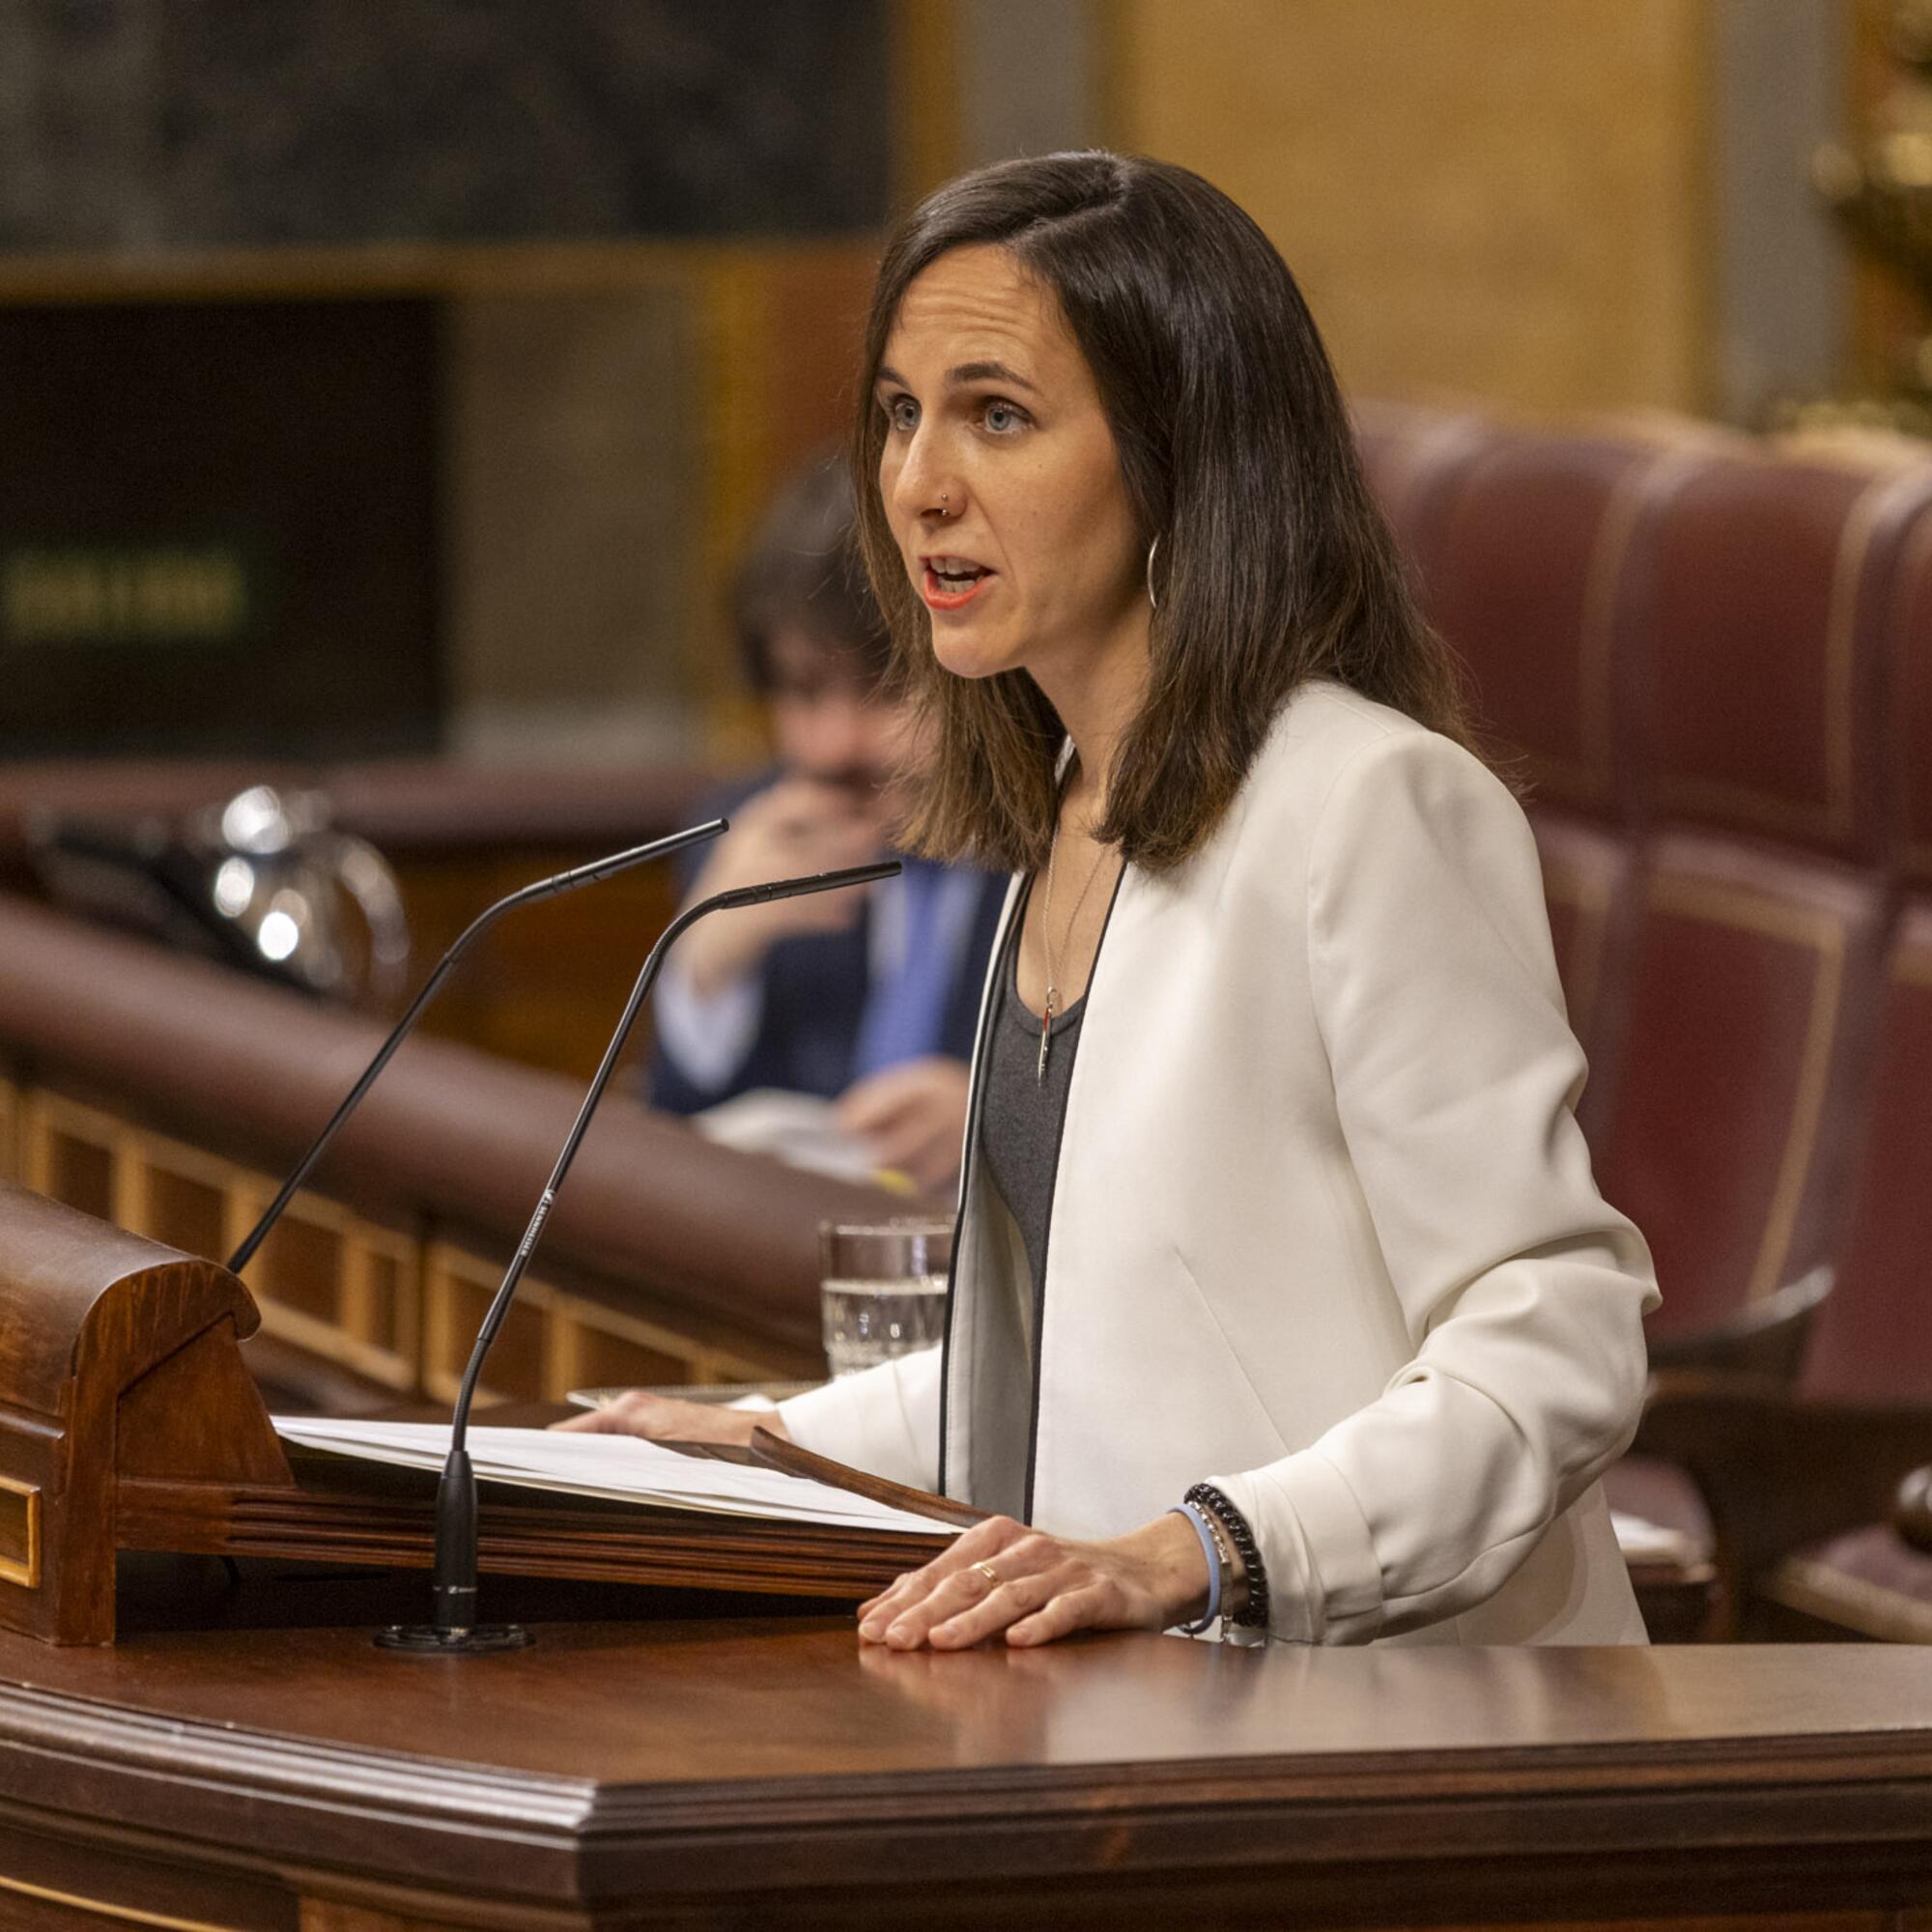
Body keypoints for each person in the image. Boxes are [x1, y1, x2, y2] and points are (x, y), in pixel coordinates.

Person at [573, 152, 1659, 1651]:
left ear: (1180, 456)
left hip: (1399, 1717)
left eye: (995, 416)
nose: (918, 483)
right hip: (1146, 1719)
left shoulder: (1371, 805)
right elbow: (1084, 1367)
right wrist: (762, 1441)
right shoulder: (1071, 805)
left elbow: (1556, 1341)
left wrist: (1193, 1553)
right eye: (900, 412)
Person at [647, 454, 1005, 1190]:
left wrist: (997, 1120)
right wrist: (708, 968)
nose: (835, 745)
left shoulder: (1083, 845)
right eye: (805, 691)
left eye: (886, 686)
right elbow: (678, 1137)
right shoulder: (742, 837)